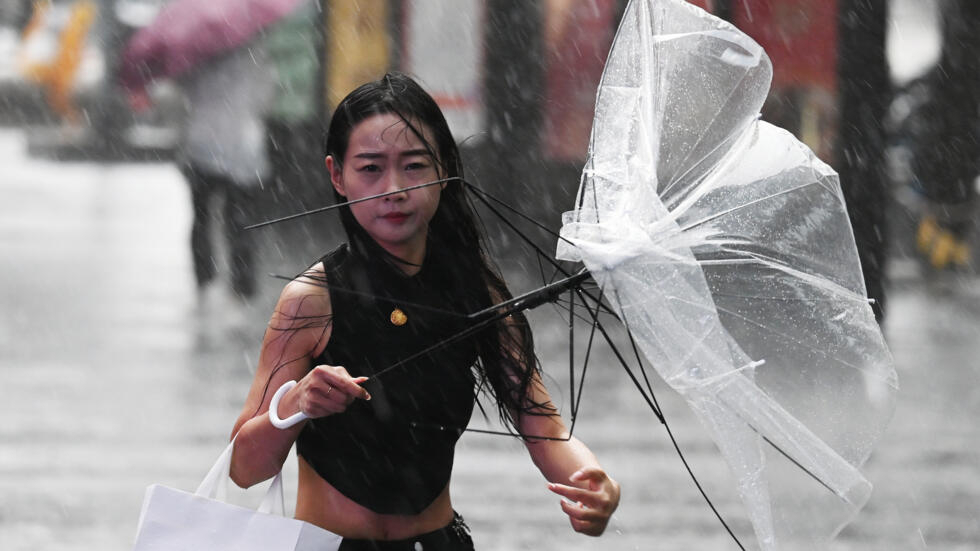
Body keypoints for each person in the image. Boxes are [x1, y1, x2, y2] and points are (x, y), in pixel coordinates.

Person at [228, 73, 620, 550]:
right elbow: (244, 468)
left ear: (444, 168)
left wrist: (593, 480)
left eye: (414, 166)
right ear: (337, 175)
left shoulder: (476, 293)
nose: (394, 189)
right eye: (370, 168)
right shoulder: (310, 300)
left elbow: (546, 432)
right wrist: (295, 405)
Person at [177, 41, 276, 305]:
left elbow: (187, 93)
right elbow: (266, 97)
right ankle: (243, 286)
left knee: (201, 216)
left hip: (202, 143)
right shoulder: (254, 52)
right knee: (241, 218)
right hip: (241, 147)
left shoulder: (195, 52)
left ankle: (205, 281)